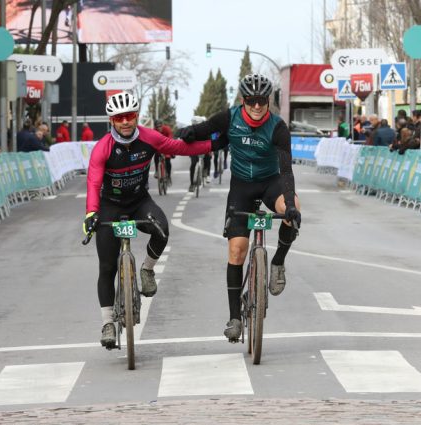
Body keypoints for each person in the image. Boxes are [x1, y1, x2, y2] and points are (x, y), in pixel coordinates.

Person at [83, 91, 219, 349]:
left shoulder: (149, 137)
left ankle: (146, 269)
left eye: (130, 116)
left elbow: (179, 147)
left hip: (138, 201)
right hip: (109, 205)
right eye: (119, 117)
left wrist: (215, 145)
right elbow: (93, 182)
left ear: (137, 116)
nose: (125, 122)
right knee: (107, 268)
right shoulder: (103, 148)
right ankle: (108, 323)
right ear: (111, 120)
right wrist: (91, 213)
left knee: (162, 229)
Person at [177, 73, 301, 342]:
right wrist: (186, 133)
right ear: (243, 100)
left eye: (262, 100)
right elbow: (204, 129)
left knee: (293, 209)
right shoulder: (230, 117)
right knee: (237, 250)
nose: (257, 106)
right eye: (251, 100)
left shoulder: (278, 127)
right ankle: (234, 317)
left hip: (271, 182)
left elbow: (287, 171)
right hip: (242, 186)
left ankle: (278, 262)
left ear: (268, 101)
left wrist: (289, 205)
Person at [187, 116, 213, 191]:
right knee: (193, 163)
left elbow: (210, 141)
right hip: (193, 149)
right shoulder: (189, 130)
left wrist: (210, 151)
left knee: (208, 157)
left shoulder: (206, 130)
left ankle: (206, 171)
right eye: (194, 124)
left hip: (203, 148)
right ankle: (192, 184)